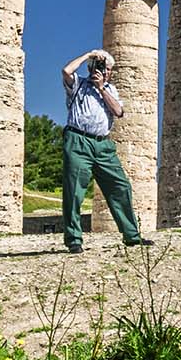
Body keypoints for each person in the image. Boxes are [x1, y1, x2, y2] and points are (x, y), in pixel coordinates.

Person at [59, 48, 150, 253]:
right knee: (74, 190)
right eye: (101, 67)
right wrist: (88, 55)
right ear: (92, 67)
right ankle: (74, 239)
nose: (104, 72)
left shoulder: (110, 89)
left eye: (107, 69)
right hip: (78, 140)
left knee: (121, 186)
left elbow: (118, 111)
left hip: (103, 145)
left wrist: (101, 88)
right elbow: (66, 70)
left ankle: (131, 236)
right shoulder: (78, 85)